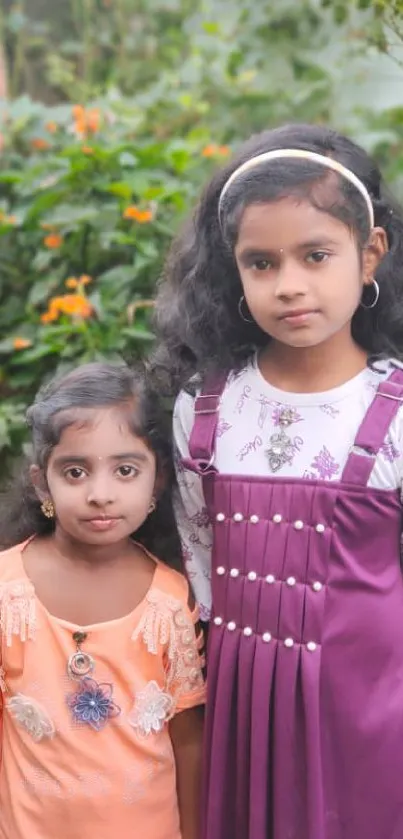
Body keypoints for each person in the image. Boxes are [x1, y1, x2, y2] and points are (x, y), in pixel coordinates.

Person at [152, 122, 403, 839]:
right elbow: (200, 563)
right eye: (260, 263)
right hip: (243, 707)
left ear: (369, 255)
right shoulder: (206, 408)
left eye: (315, 255)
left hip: (370, 711)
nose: (288, 283)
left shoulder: (389, 411)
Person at [0, 362, 205, 839]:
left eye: (125, 470)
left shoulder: (169, 601)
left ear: (155, 483)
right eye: (75, 471)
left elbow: (188, 741)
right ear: (40, 482)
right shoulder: (7, 591)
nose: (100, 494)